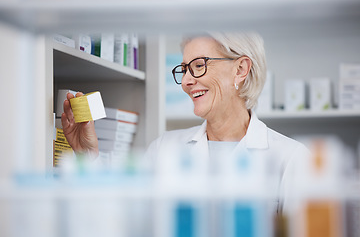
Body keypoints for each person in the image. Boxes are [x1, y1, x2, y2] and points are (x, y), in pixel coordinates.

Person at [62, 32, 309, 214]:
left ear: (240, 70)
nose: (186, 81)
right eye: (184, 69)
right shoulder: (164, 149)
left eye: (199, 66)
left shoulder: (291, 158)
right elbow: (121, 218)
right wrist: (87, 157)